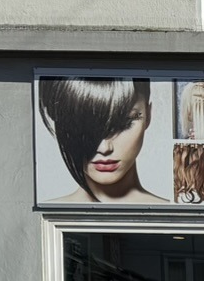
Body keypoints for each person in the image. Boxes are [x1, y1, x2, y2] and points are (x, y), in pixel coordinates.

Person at [37, 76, 166, 204]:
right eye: (84, 125)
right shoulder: (46, 217)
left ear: (148, 115)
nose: (104, 148)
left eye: (124, 124)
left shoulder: (175, 217)